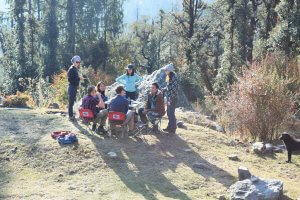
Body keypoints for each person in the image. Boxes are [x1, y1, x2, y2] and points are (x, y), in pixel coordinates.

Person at [162, 63, 178, 134]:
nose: (165, 71)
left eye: (166, 70)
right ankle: (169, 127)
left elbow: (174, 89)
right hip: (169, 98)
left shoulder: (174, 77)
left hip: (172, 98)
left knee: (171, 113)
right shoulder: (169, 76)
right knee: (169, 113)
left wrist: (170, 99)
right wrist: (165, 89)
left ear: (170, 70)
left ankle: (172, 129)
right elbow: (169, 87)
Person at [67, 55, 84, 121]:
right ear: (74, 62)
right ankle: (70, 116)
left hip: (74, 87)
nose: (78, 63)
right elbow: (70, 79)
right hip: (72, 87)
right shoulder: (71, 69)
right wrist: (79, 78)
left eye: (79, 62)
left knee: (73, 102)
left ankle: (72, 115)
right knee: (71, 102)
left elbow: (74, 78)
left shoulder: (74, 69)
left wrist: (78, 79)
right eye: (77, 62)